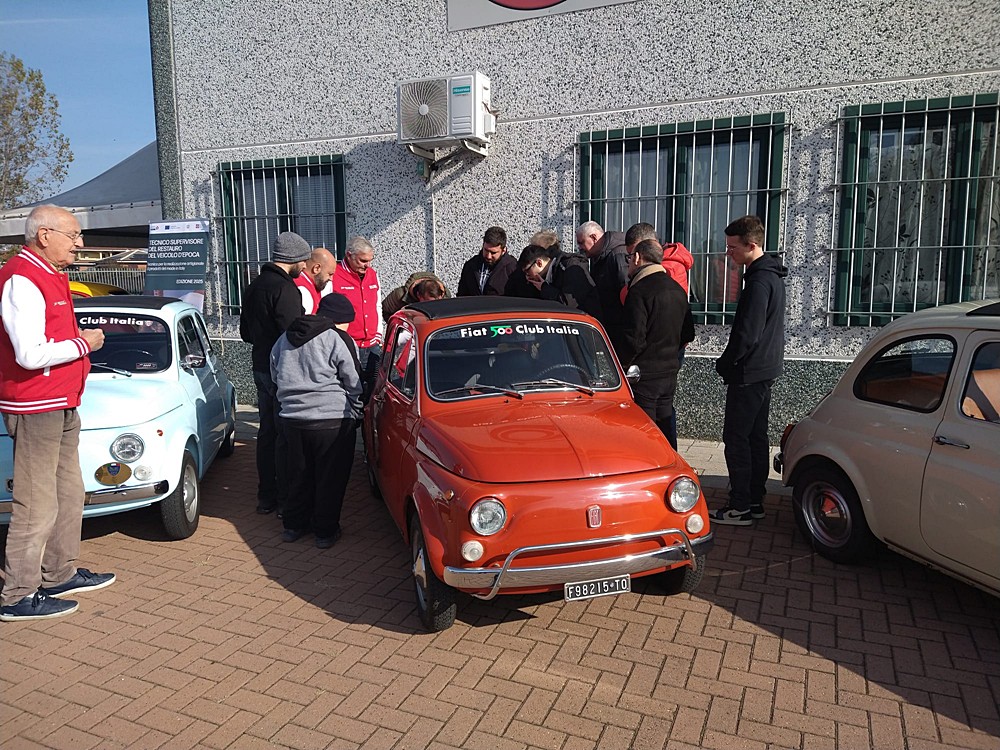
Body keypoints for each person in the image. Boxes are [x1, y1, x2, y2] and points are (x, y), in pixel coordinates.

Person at [0, 205, 116, 622]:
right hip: (35, 404)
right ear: (44, 234)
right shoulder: (22, 277)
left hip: (60, 400)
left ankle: (59, 572)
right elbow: (30, 354)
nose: (79, 243)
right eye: (74, 235)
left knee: (69, 493)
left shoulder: (47, 273)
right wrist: (85, 344)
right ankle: (17, 594)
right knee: (36, 503)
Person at [711, 215, 788, 526]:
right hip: (764, 369)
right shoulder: (770, 277)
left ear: (751, 245)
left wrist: (726, 364)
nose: (729, 253)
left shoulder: (758, 283)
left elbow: (747, 334)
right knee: (755, 437)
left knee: (737, 438)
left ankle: (740, 504)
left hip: (750, 371)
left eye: (732, 248)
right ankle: (755, 500)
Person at [270, 293, 363, 549]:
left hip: (293, 419)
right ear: (339, 320)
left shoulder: (284, 338)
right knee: (330, 479)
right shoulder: (337, 338)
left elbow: (275, 374)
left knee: (298, 475)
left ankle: (293, 526)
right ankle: (325, 532)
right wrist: (356, 411)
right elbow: (353, 381)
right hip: (331, 420)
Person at [239, 231, 312, 515]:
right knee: (285, 435)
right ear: (292, 259)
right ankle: (284, 497)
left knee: (267, 432)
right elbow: (295, 334)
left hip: (259, 365)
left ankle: (265, 495)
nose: (305, 266)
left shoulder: (253, 286)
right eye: (303, 260)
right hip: (282, 369)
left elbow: (245, 332)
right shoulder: (285, 290)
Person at [618, 238, 694, 449]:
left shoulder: (640, 290)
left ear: (637, 257)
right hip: (669, 370)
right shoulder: (678, 289)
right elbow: (688, 332)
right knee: (665, 424)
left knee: (645, 431)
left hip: (644, 374)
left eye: (629, 258)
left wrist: (621, 366)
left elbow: (633, 338)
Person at [331, 236, 383, 396]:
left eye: (370, 260)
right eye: (363, 261)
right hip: (348, 343)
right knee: (351, 389)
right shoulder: (334, 275)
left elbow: (377, 305)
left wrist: (379, 334)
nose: (368, 265)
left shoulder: (372, 274)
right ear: (349, 255)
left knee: (374, 390)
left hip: (372, 343)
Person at [577, 221, 628, 350]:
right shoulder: (598, 256)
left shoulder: (618, 255)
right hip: (609, 324)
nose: (579, 248)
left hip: (619, 327)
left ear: (594, 238)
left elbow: (626, 291)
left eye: (581, 242)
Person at [514, 244, 602, 317]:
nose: (527, 276)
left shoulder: (569, 267)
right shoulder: (551, 273)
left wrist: (544, 288)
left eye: (527, 271)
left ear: (539, 263)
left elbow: (569, 304)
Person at [457, 226, 517, 297]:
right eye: (486, 250)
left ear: (503, 250)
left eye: (493, 253)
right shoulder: (471, 265)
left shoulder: (512, 269)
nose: (488, 256)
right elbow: (462, 295)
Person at [382, 271, 448, 319]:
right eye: (428, 302)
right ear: (419, 295)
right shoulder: (400, 295)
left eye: (437, 302)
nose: (433, 306)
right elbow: (384, 310)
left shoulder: (446, 296)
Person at [295, 247, 337, 315]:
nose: (331, 279)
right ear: (316, 268)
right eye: (329, 274)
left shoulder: (310, 284)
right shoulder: (303, 291)